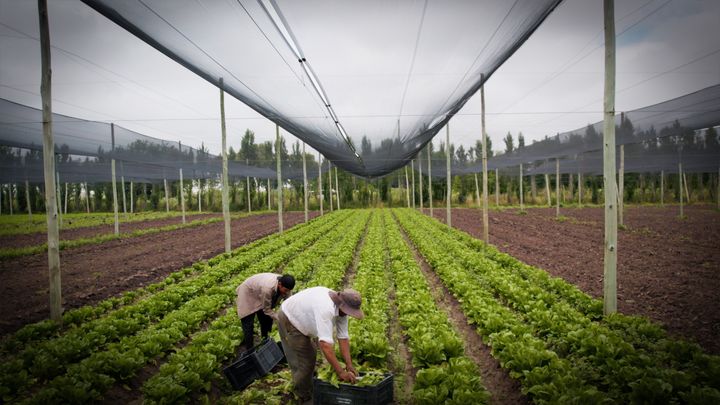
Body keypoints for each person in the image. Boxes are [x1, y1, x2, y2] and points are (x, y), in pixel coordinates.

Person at [277, 286, 364, 403]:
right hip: (290, 318)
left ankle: (308, 386)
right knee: (305, 361)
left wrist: (349, 364)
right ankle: (302, 396)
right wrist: (341, 372)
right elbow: (325, 345)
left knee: (311, 355)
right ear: (341, 304)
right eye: (348, 311)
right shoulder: (326, 307)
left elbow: (343, 338)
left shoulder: (342, 310)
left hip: (304, 319)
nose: (348, 314)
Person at [236, 273, 295, 350]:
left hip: (260, 292)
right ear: (280, 284)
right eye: (285, 290)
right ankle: (250, 350)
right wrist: (280, 318)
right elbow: (267, 310)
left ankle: (265, 340)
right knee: (248, 323)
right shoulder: (268, 288)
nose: (287, 292)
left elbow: (289, 303)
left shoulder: (287, 286)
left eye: (289, 291)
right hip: (248, 292)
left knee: (266, 320)